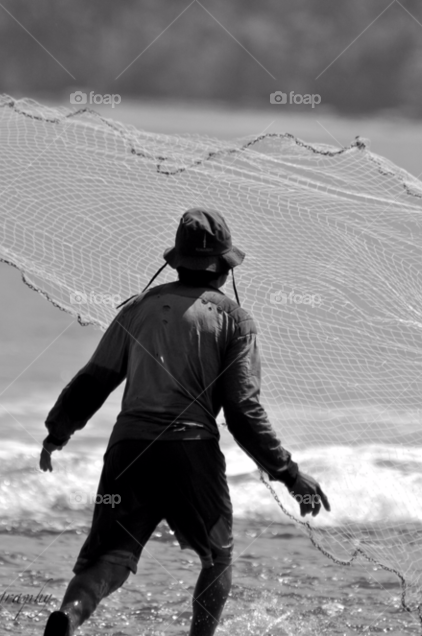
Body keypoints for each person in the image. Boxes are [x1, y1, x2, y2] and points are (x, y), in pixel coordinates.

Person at [40, 207, 330, 636]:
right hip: (190, 453)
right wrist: (288, 473)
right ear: (224, 269)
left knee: (109, 559)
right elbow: (243, 412)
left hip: (128, 453)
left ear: (175, 261)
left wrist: (56, 433)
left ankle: (68, 617)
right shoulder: (234, 320)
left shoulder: (137, 309)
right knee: (217, 557)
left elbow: (93, 381)